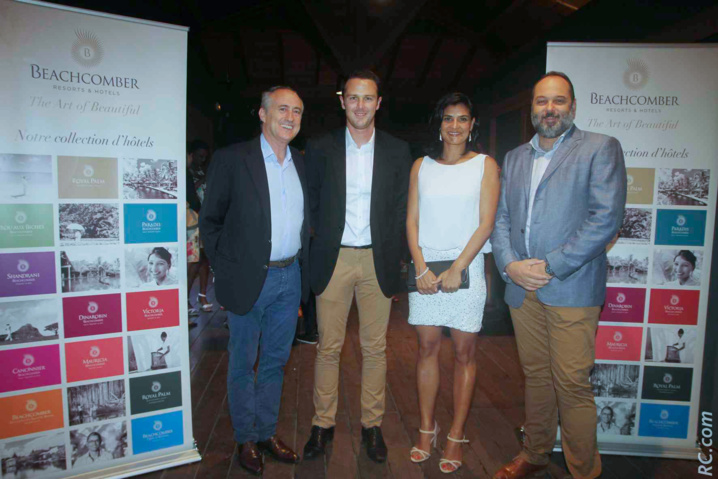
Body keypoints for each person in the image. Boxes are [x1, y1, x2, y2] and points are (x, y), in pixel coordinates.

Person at [491, 71, 626, 479]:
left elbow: (605, 220)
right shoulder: (515, 158)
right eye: (541, 101)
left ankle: (584, 471)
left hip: (572, 287)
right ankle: (535, 452)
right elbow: (501, 219)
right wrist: (510, 265)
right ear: (532, 108)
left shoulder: (600, 148)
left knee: (571, 383)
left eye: (558, 100)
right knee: (536, 377)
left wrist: (550, 266)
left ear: (573, 106)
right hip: (522, 288)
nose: (549, 109)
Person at [303, 70, 411, 463]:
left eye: (368, 98)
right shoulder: (320, 147)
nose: (360, 105)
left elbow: (401, 207)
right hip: (334, 259)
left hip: (377, 260)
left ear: (379, 103)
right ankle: (322, 424)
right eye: (353, 97)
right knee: (328, 348)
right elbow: (312, 202)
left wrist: (397, 257)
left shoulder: (398, 150)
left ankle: (372, 426)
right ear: (342, 101)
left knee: (375, 348)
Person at [200, 86, 309, 475]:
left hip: (289, 277)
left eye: (297, 111)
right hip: (248, 278)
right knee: (243, 362)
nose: (290, 117)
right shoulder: (233, 159)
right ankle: (245, 437)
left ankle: (266, 433)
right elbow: (210, 223)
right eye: (282, 109)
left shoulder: (300, 162)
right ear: (262, 114)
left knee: (276, 362)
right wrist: (226, 272)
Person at [406, 93, 499, 473]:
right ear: (439, 123)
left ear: (472, 125)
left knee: (464, 353)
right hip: (426, 268)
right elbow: (411, 220)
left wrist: (458, 267)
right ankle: (426, 428)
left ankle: (456, 434)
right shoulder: (421, 166)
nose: (455, 126)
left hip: (466, 267)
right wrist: (420, 267)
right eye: (448, 118)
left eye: (462, 119)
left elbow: (486, 223)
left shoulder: (485, 165)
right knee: (427, 348)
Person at [186, 140, 214, 313]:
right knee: (194, 260)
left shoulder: (204, 170)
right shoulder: (186, 171)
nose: (202, 159)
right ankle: (185, 298)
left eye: (205, 157)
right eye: (199, 156)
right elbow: (190, 194)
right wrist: (204, 179)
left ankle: (202, 295)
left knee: (205, 258)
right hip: (193, 220)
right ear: (191, 155)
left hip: (206, 218)